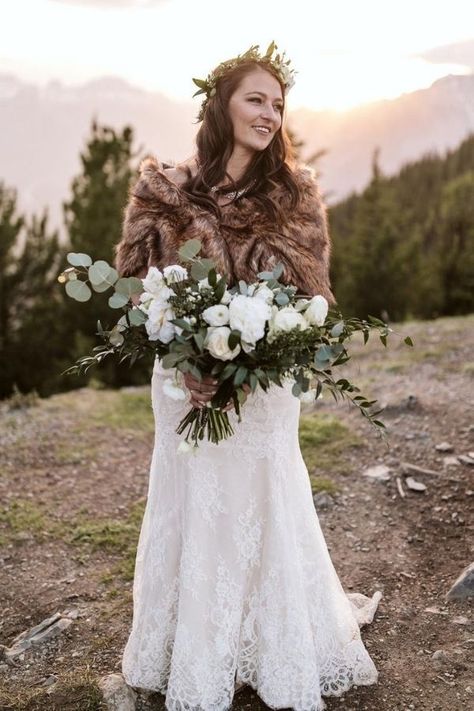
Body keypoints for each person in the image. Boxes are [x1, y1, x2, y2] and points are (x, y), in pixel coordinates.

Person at [114, 42, 380, 711]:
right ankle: (192, 650)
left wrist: (261, 349)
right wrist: (185, 360)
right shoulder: (162, 191)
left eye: (278, 104)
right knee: (194, 507)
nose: (269, 113)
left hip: (262, 389)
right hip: (182, 386)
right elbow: (130, 287)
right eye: (255, 99)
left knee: (261, 503)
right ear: (221, 104)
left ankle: (269, 643)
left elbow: (316, 296)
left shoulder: (296, 196)